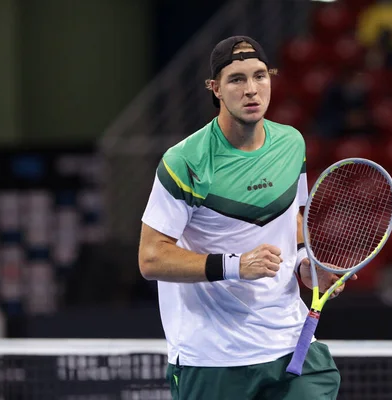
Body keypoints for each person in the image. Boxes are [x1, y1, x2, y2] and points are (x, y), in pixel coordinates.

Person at [138, 36, 350, 400]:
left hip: (289, 342)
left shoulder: (291, 143)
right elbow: (151, 258)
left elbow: (293, 219)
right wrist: (236, 265)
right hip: (212, 356)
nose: (251, 90)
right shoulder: (185, 162)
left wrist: (303, 262)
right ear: (215, 88)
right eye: (237, 79)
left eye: (260, 76)